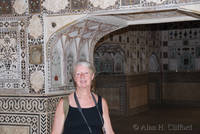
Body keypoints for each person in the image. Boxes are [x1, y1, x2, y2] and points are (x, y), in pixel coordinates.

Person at [51, 60, 115, 134]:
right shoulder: (64, 104)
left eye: (86, 73)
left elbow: (109, 131)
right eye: (78, 74)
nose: (82, 77)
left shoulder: (101, 102)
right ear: (74, 78)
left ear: (92, 76)